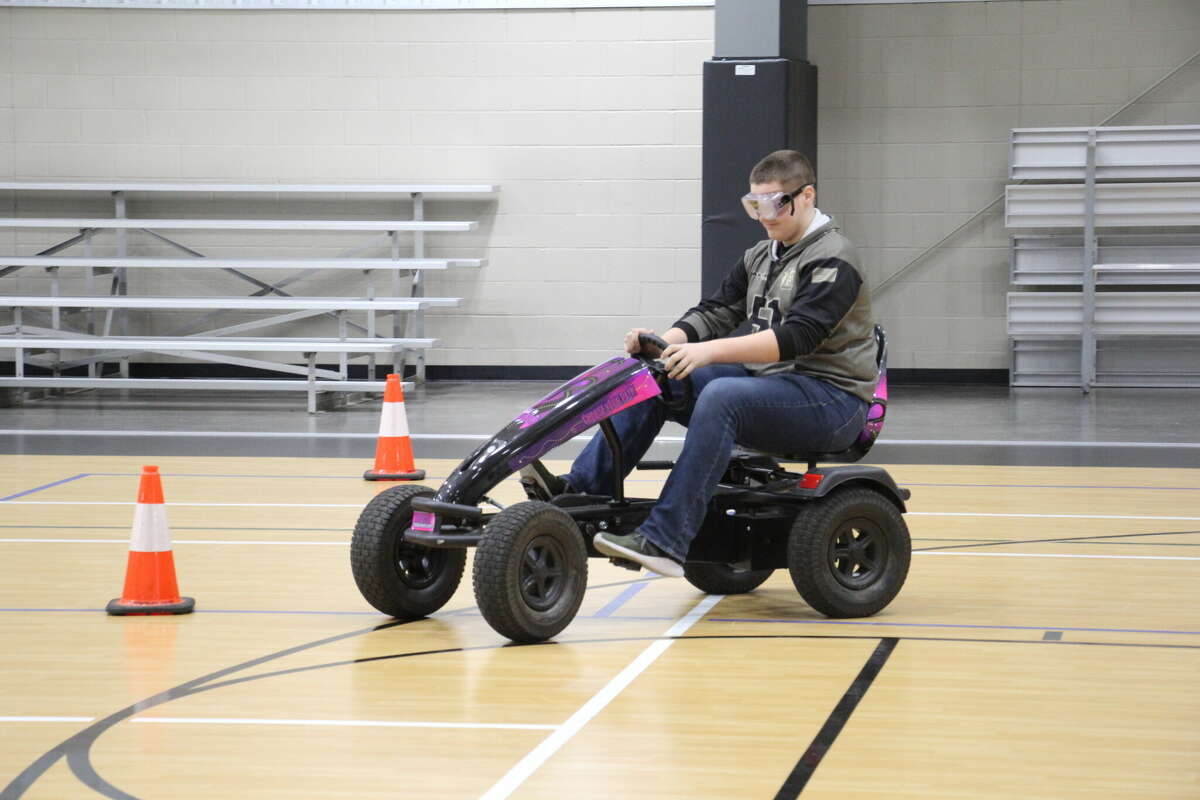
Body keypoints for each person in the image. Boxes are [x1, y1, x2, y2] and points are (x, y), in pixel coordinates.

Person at [526, 149, 879, 578]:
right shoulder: (760, 255)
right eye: (754, 205)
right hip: (772, 387)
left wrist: (707, 352)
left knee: (721, 395)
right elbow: (715, 310)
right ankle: (582, 491)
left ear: (807, 196)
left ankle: (665, 540)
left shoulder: (833, 256)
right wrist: (664, 343)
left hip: (831, 400)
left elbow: (797, 338)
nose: (763, 216)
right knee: (658, 377)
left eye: (774, 204)